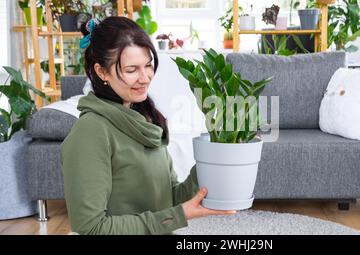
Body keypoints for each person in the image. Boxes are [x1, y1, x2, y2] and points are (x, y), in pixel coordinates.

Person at [61, 17, 235, 235]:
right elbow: (91, 227)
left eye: (148, 65)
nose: (145, 78)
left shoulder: (145, 118)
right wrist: (178, 215)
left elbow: (168, 198)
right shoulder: (91, 133)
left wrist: (213, 158)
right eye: (132, 69)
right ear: (101, 72)